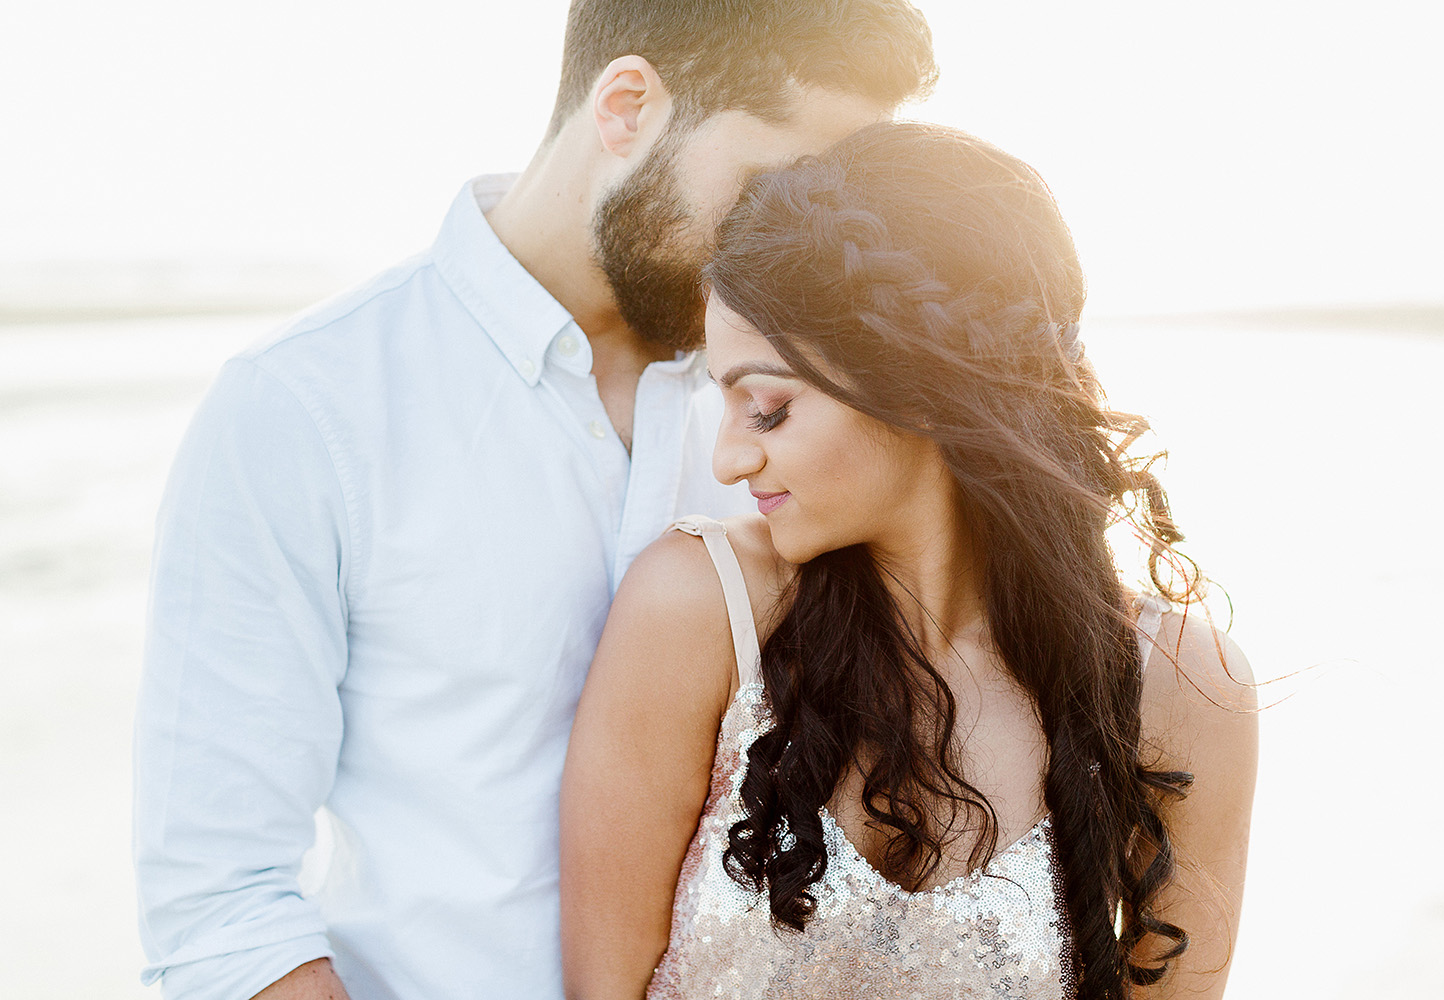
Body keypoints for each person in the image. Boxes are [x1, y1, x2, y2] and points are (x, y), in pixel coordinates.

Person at [132, 5, 938, 999]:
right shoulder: (305, 410)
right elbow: (219, 907)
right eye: (771, 191)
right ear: (628, 106)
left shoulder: (823, 421)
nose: (797, 249)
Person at [560, 122, 1259, 1000]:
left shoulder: (1181, 684)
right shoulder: (701, 606)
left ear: (919, 388)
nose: (730, 459)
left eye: (767, 408)